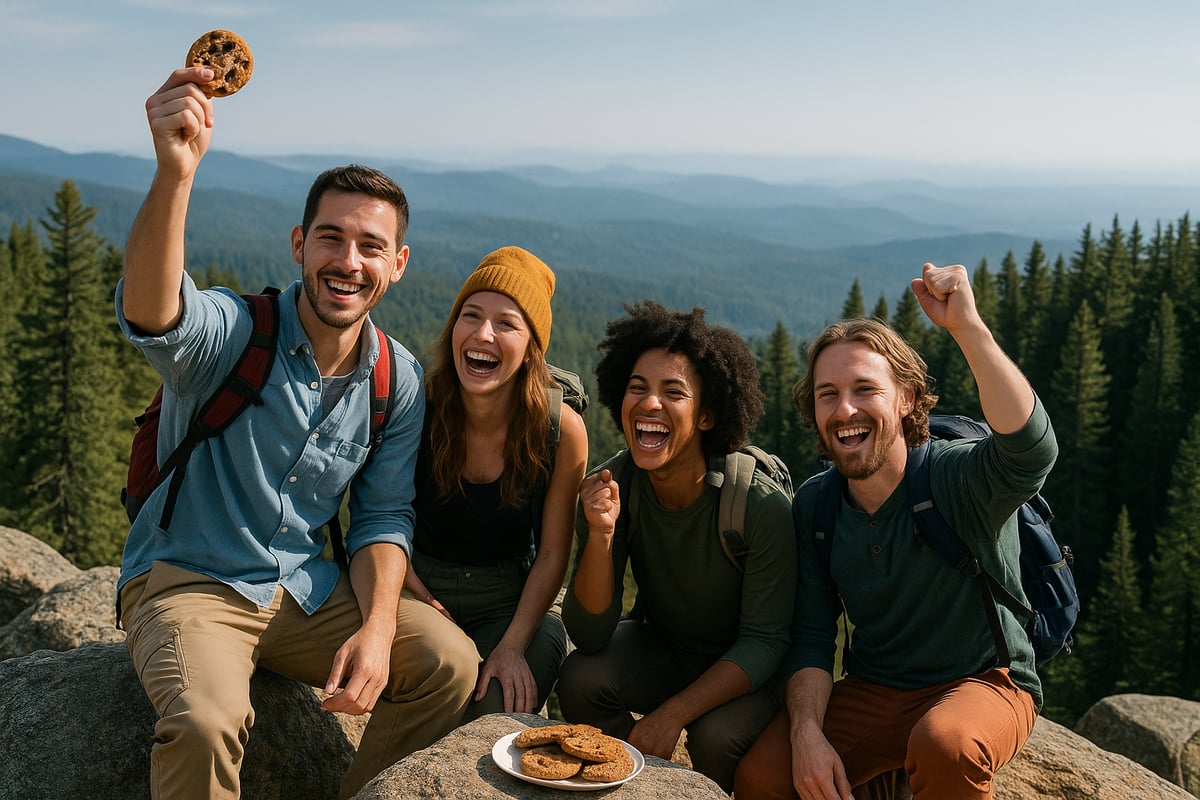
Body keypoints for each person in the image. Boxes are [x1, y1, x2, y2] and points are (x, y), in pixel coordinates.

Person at [115, 66, 479, 800]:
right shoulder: (236, 332)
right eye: (331, 239)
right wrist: (175, 174)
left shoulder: (393, 379)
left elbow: (382, 518)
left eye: (370, 247)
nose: (349, 262)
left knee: (448, 663)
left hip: (303, 593)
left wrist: (377, 631)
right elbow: (158, 314)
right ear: (298, 245)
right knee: (206, 720)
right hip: (191, 582)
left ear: (398, 265)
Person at [733, 262, 1059, 800]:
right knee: (762, 777)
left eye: (866, 389)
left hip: (986, 682)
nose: (845, 410)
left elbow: (1031, 451)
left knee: (945, 743)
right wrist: (806, 732)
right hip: (876, 688)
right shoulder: (816, 505)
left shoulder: (955, 477)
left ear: (906, 399)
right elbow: (813, 637)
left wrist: (967, 329)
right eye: (827, 394)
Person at [555, 301, 797, 793]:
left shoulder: (756, 503)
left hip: (747, 668)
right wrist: (600, 535)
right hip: (669, 649)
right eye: (637, 388)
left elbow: (766, 641)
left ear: (707, 415)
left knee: (714, 736)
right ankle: (634, 786)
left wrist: (672, 715)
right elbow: (590, 632)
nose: (649, 404)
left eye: (674, 393)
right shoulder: (613, 484)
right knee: (581, 679)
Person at [404, 246, 587, 719]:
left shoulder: (560, 431)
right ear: (453, 328)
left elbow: (552, 554)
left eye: (507, 323)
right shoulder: (416, 408)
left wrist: (511, 647)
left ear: (531, 348)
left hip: (511, 605)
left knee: (489, 718)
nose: (483, 334)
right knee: (429, 703)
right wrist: (411, 591)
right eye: (471, 315)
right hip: (420, 593)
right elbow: (380, 514)